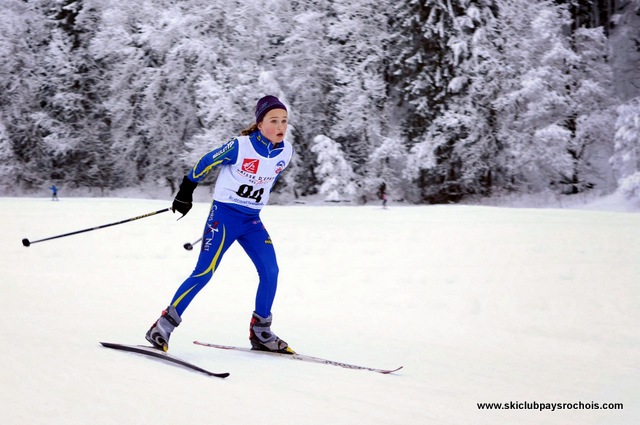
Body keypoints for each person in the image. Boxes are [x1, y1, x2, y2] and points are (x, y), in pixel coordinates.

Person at [146, 95, 295, 354]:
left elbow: (264, 179)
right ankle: (162, 326)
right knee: (204, 272)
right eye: (274, 121)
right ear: (260, 124)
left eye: (284, 121)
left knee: (271, 271)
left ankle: (261, 331)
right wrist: (186, 189)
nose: (281, 126)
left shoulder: (286, 152)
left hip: (251, 221)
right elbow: (207, 161)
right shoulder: (240, 146)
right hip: (224, 217)